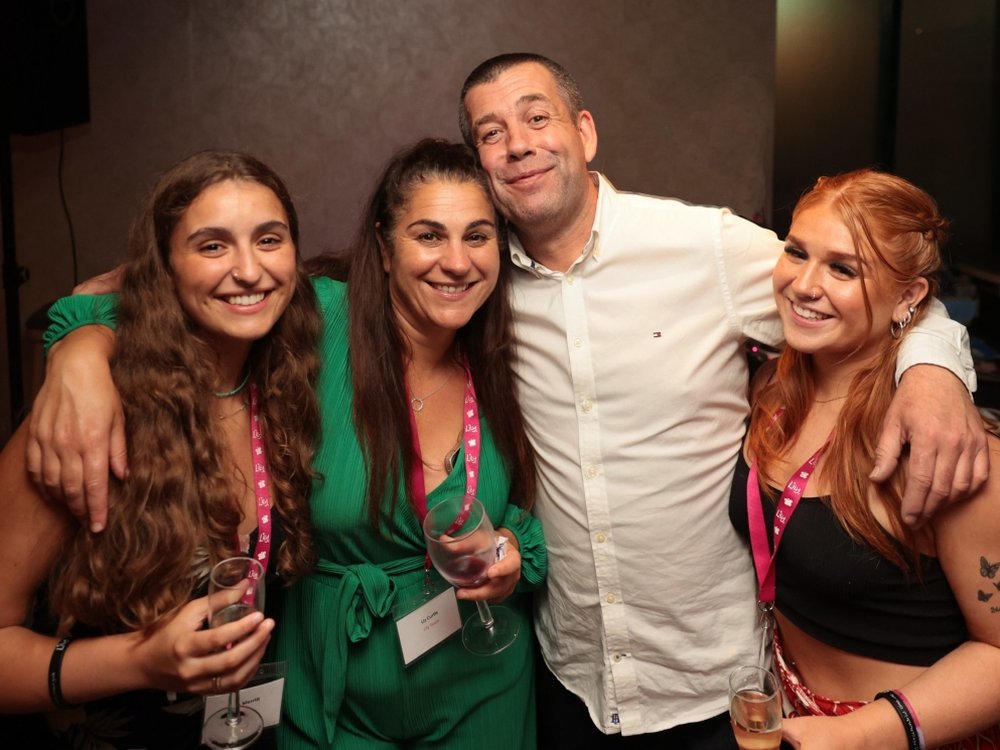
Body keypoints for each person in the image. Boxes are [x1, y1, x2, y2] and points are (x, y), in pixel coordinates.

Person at [455, 53, 989, 746]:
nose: (518, 142)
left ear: (584, 133)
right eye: (490, 133)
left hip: (714, 689)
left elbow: (863, 291)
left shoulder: (703, 245)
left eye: (536, 117)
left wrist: (934, 371)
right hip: (570, 676)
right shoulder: (478, 279)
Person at [31, 139, 546, 749]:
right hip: (328, 685)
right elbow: (150, 293)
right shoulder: (312, 316)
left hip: (478, 680)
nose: (457, 263)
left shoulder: (510, 346)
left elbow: (525, 513)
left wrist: (515, 549)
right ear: (382, 248)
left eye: (478, 236)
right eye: (429, 236)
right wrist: (79, 352)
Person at [0, 150, 320, 748]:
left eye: (269, 239)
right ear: (163, 269)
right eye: (212, 246)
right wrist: (141, 661)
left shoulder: (287, 389)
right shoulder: (87, 416)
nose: (249, 270)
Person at [730, 168, 1000, 749]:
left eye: (843, 268)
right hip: (791, 715)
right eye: (796, 252)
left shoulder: (943, 445)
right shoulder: (774, 389)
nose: (803, 284)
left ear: (909, 298)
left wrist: (865, 731)